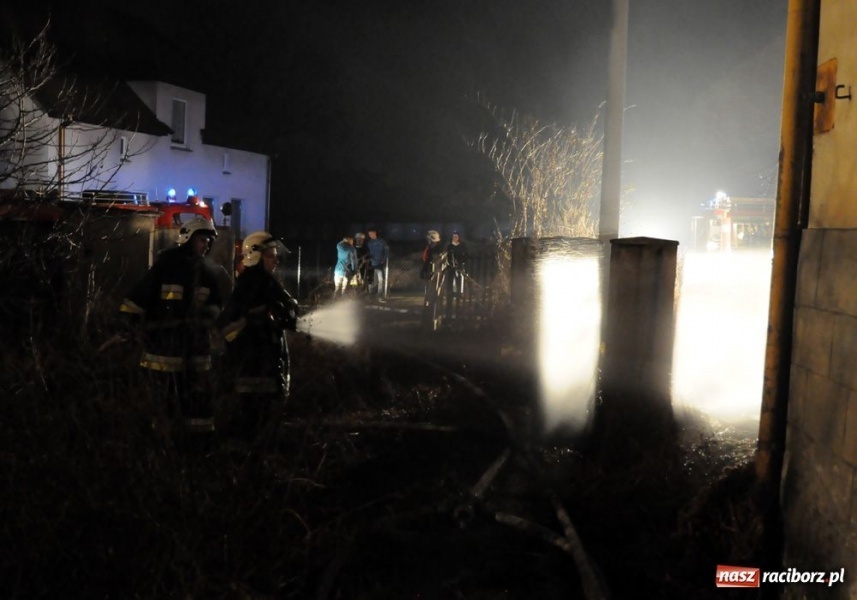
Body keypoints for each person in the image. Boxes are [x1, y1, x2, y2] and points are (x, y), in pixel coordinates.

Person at [118, 216, 223, 448]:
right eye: (202, 240)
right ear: (188, 238)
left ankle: (195, 448)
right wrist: (128, 323)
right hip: (163, 350)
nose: (206, 245)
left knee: (195, 405)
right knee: (162, 403)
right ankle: (158, 448)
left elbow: (217, 305)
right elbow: (138, 298)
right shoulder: (166, 267)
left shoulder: (207, 274)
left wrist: (207, 318)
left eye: (208, 241)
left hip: (195, 351)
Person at [216, 231, 298, 443]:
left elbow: (290, 309)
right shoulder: (255, 285)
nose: (276, 260)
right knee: (256, 422)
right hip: (256, 367)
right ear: (255, 255)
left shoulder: (261, 283)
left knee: (255, 421)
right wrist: (254, 321)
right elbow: (226, 327)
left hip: (257, 367)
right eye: (271, 255)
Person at [366, 228, 389, 301]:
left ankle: (379, 295)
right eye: (369, 234)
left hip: (379, 263)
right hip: (371, 263)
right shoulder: (369, 243)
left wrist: (383, 260)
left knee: (380, 279)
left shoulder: (382, 242)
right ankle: (371, 295)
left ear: (375, 233)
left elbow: (386, 251)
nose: (370, 235)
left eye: (371, 234)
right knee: (371, 280)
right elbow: (368, 252)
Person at [445, 230, 468, 297]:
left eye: (456, 236)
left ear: (459, 237)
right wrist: (450, 262)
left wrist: (461, 262)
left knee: (459, 279)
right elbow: (447, 255)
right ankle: (451, 292)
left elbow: (465, 255)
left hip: (460, 265)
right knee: (451, 279)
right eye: (454, 236)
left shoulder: (462, 245)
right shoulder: (449, 246)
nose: (455, 238)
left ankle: (459, 292)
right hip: (451, 265)